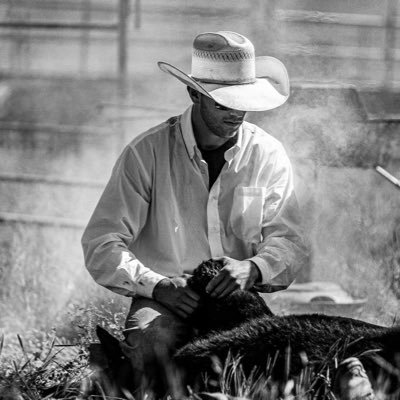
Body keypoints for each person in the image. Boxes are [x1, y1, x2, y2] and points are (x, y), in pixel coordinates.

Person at [82, 31, 308, 394]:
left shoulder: (267, 154)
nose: (236, 113)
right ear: (194, 94)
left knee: (279, 364)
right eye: (223, 104)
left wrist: (252, 268)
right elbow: (102, 243)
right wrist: (156, 286)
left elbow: (289, 241)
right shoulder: (147, 153)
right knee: (152, 344)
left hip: (236, 297)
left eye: (242, 103)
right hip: (167, 297)